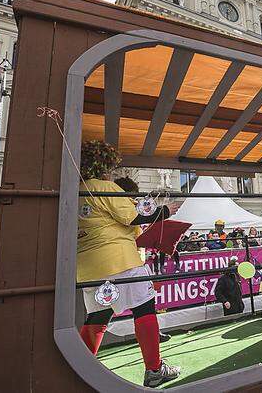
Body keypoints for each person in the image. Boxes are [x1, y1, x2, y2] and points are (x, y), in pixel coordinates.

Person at [77, 141, 180, 387]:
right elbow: (135, 217)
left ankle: (77, 369)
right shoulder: (104, 187)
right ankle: (154, 370)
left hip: (88, 268)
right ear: (103, 167)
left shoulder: (76, 190)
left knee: (97, 318)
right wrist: (166, 210)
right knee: (144, 310)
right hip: (121, 261)